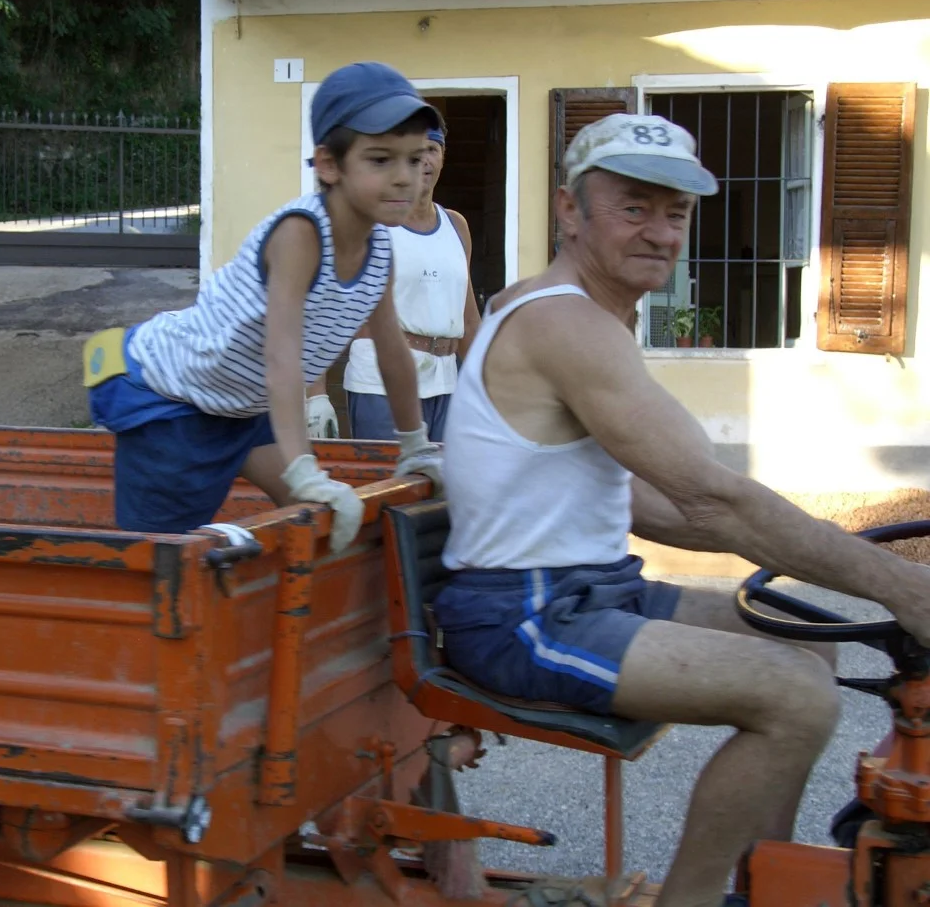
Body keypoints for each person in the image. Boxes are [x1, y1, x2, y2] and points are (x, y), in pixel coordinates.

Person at [432, 112, 930, 907]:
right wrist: (901, 586)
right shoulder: (565, 322)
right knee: (795, 697)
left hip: (593, 588)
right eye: (634, 207)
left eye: (676, 211)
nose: (661, 232)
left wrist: (782, 548)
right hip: (525, 614)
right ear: (569, 209)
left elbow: (657, 503)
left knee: (812, 649)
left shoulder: (588, 315)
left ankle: (757, 881)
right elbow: (712, 494)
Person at [81, 61, 444, 552]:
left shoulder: (378, 248)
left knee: (320, 523)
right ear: (329, 165)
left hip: (243, 405)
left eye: (415, 158)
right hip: (174, 398)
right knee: (161, 559)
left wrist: (415, 445)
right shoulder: (301, 233)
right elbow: (282, 357)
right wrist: (303, 469)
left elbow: (392, 351)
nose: (406, 178)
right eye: (381, 160)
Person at [322, 123, 480, 442]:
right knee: (391, 487)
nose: (423, 161)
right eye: (413, 154)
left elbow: (467, 318)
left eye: (431, 150)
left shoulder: (456, 226)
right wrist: (316, 394)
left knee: (442, 490)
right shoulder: (372, 225)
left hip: (446, 384)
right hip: (380, 386)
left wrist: (492, 388)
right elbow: (328, 310)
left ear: (443, 158)